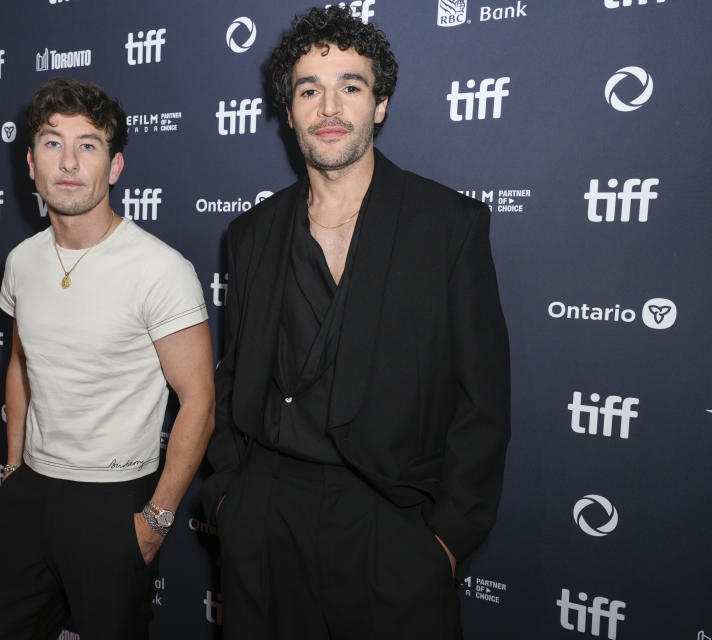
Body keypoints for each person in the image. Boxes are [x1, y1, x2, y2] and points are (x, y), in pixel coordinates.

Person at [201, 7, 510, 639]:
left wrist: (445, 541)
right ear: (288, 112)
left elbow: (484, 400)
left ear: (381, 104)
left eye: (351, 85)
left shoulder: (449, 226)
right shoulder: (250, 235)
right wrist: (230, 499)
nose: (330, 106)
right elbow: (232, 377)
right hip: (267, 516)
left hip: (393, 520)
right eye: (309, 90)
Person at [0, 77, 214, 640]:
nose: (68, 161)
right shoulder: (22, 260)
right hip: (30, 493)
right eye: (52, 142)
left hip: (116, 504)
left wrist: (155, 520)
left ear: (114, 167)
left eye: (88, 145)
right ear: (30, 162)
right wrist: (13, 468)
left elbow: (199, 402)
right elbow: (21, 362)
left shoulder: (160, 269)